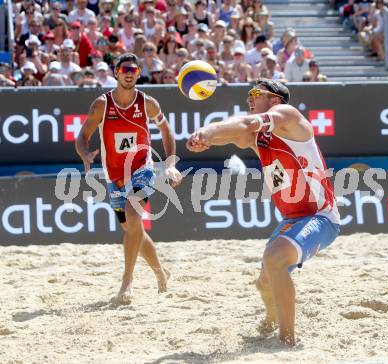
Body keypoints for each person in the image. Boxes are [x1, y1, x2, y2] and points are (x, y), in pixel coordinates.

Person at [186, 79, 340, 345]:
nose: (249, 98)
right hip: (293, 218)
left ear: (275, 100)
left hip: (320, 217)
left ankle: (287, 338)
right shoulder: (261, 137)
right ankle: (271, 319)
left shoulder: (290, 117)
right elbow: (235, 132)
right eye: (248, 94)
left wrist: (209, 132)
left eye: (255, 93)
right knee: (264, 282)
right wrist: (205, 137)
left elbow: (244, 125)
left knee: (275, 257)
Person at [76, 53, 182, 304]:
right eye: (124, 69)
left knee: (134, 217)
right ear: (116, 72)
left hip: (142, 168)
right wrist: (85, 153)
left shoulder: (148, 103)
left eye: (133, 69)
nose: (129, 72)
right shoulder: (102, 104)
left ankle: (127, 283)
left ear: (138, 72)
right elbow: (82, 136)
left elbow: (166, 130)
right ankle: (160, 272)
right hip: (114, 174)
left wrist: (169, 164)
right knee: (131, 230)